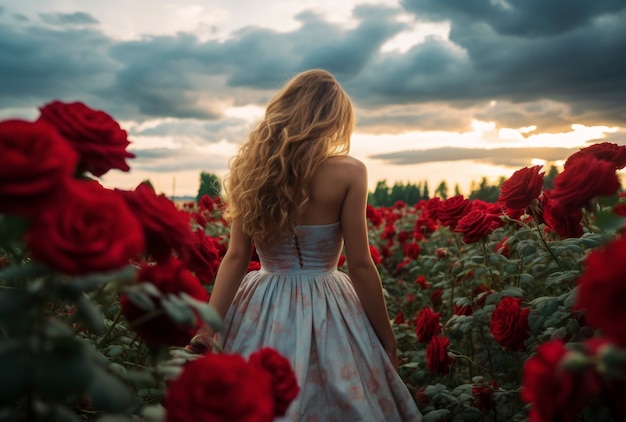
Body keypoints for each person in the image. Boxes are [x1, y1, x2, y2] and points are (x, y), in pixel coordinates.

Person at [188, 69, 422, 421]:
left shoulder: (251, 173)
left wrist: (207, 330)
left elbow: (236, 258)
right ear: (334, 120)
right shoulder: (350, 172)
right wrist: (386, 339)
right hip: (330, 303)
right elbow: (359, 265)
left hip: (260, 304)